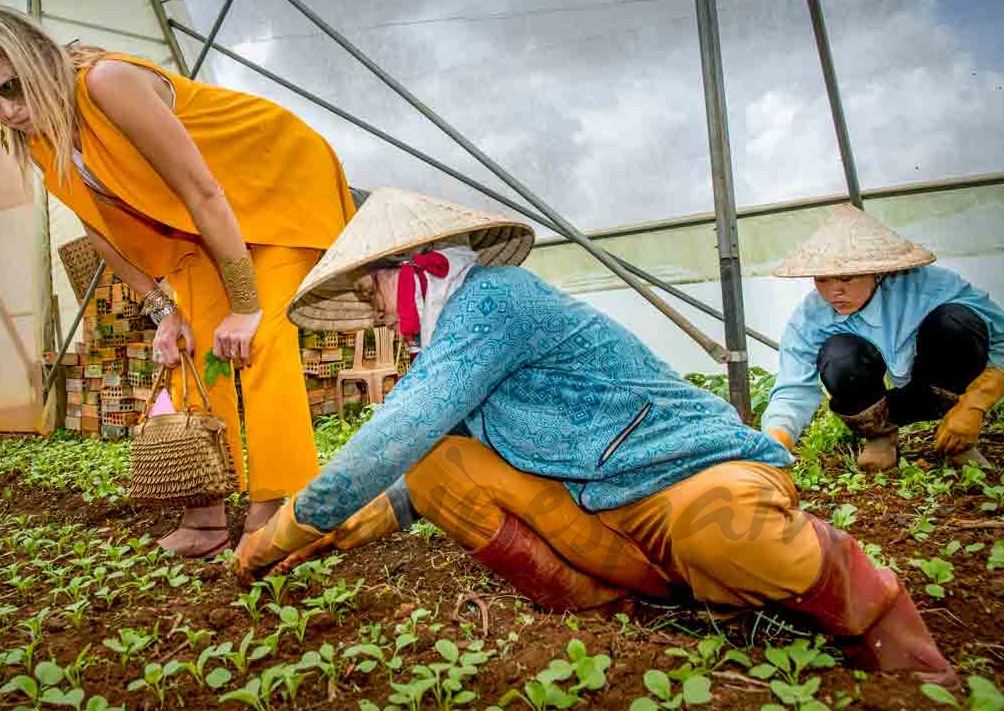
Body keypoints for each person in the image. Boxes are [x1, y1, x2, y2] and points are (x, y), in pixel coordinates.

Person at [235, 188, 955, 684]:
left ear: (409, 269)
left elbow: (395, 430)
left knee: (730, 531)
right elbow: (414, 466)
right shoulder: (454, 335)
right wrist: (343, 527)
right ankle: (631, 611)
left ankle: (884, 624)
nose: (381, 319)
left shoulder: (493, 299)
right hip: (598, 505)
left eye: (372, 295)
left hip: (684, 472)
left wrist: (283, 532)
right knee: (436, 469)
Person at [0, 5, 356, 557]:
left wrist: (245, 305)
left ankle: (279, 514)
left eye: (14, 87)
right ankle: (206, 518)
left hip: (275, 184)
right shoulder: (34, 139)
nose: (9, 110)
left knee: (258, 340)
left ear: (40, 57)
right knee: (190, 356)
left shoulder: (107, 83)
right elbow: (100, 230)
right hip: (198, 230)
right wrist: (165, 312)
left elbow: (204, 192)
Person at [761, 205, 1004, 472]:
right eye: (822, 279)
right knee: (839, 356)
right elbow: (792, 389)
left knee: (957, 322)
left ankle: (957, 437)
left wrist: (974, 405)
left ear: (878, 272)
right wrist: (775, 445)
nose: (834, 291)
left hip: (940, 386)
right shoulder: (811, 316)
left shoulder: (930, 286)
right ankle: (880, 436)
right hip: (876, 404)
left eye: (846, 277)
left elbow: (1001, 339)